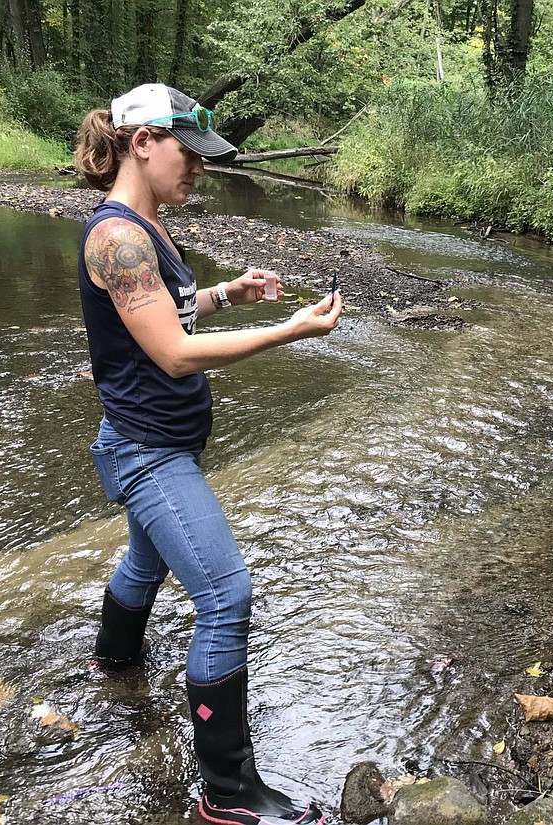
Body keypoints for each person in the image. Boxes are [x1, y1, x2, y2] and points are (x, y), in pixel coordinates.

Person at [73, 83, 341, 824]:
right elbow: (175, 352)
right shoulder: (117, 237)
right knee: (227, 595)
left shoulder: (148, 228)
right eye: (189, 154)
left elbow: (168, 312)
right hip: (147, 452)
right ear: (142, 143)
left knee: (145, 560)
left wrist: (232, 292)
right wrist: (289, 331)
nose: (199, 169)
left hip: (159, 441)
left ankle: (114, 666)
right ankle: (227, 796)